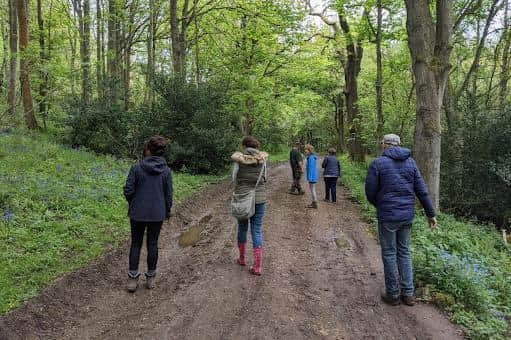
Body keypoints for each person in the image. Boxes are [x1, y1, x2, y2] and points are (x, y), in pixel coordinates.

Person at [365, 134, 437, 306]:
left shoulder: (378, 163)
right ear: (398, 144)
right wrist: (431, 214)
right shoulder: (411, 163)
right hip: (406, 216)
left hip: (388, 216)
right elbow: (422, 191)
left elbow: (370, 192)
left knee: (390, 253)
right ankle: (409, 294)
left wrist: (381, 204)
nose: (382, 146)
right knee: (404, 252)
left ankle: (393, 294)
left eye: (383, 143)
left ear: (386, 145)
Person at [123, 135, 173, 292]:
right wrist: (167, 211)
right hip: (157, 213)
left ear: (148, 149)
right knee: (153, 244)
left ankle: (132, 280)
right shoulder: (166, 171)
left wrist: (134, 202)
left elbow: (128, 190)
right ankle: (150, 279)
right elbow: (168, 195)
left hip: (137, 212)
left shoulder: (136, 168)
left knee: (136, 243)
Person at [232, 136, 268, 276]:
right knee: (257, 230)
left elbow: (233, 177)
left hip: (242, 197)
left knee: (242, 227)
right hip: (260, 198)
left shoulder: (239, 160)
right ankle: (257, 266)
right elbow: (265, 178)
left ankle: (242, 259)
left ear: (245, 146)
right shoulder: (263, 160)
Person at [304, 144, 319, 209]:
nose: (305, 151)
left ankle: (314, 203)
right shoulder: (311, 157)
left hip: (312, 177)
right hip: (313, 176)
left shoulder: (311, 158)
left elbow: (311, 169)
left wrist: (310, 178)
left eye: (306, 150)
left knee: (312, 189)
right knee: (312, 189)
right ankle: (314, 202)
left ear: (309, 150)